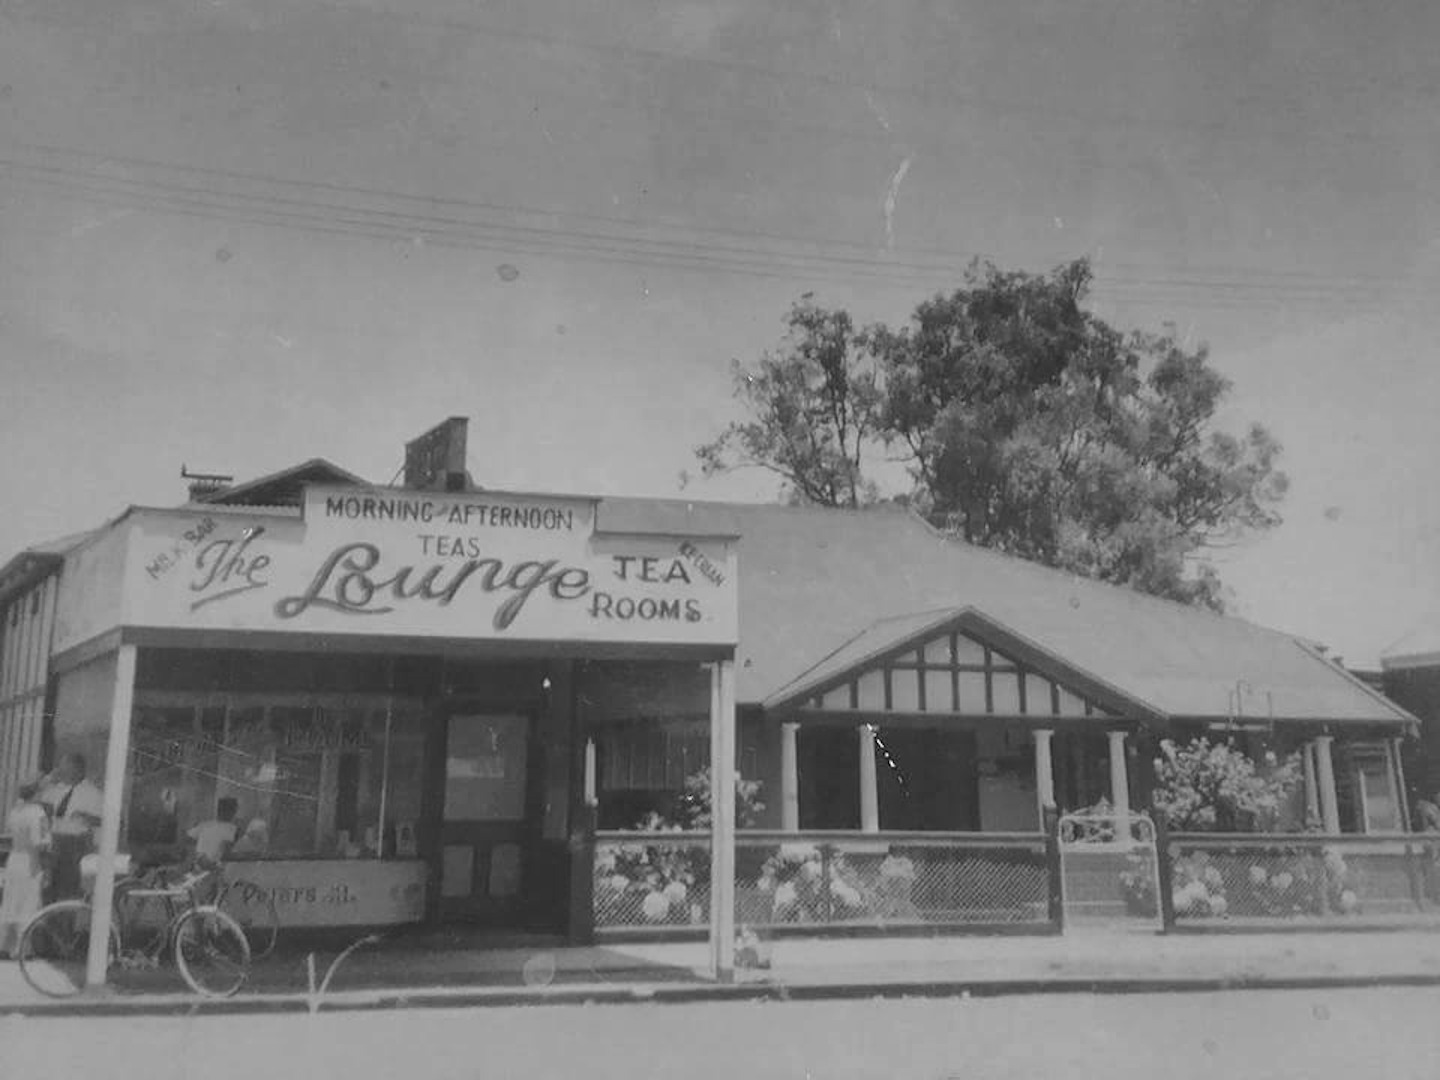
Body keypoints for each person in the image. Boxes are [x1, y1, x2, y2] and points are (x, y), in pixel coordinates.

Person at [40, 753, 104, 902]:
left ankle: (66, 923)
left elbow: (106, 821)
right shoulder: (57, 790)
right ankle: (49, 921)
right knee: (49, 888)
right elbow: (36, 800)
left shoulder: (93, 793)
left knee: (68, 889)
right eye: (61, 768)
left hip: (75, 845)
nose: (62, 771)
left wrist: (87, 817)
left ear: (78, 770)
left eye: (65, 768)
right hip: (55, 843)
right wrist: (48, 779)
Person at [1, 778, 52, 958]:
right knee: (28, 903)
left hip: (14, 858)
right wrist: (43, 868)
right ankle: (22, 949)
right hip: (30, 860)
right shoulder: (38, 813)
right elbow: (40, 843)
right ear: (37, 793)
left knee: (10, 902)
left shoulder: (15, 810)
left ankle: (5, 945)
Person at [187, 797, 239, 870]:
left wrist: (198, 854)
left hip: (198, 867)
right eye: (235, 810)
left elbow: (187, 839)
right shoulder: (232, 829)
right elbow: (226, 854)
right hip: (214, 869)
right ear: (232, 812)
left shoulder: (205, 824)